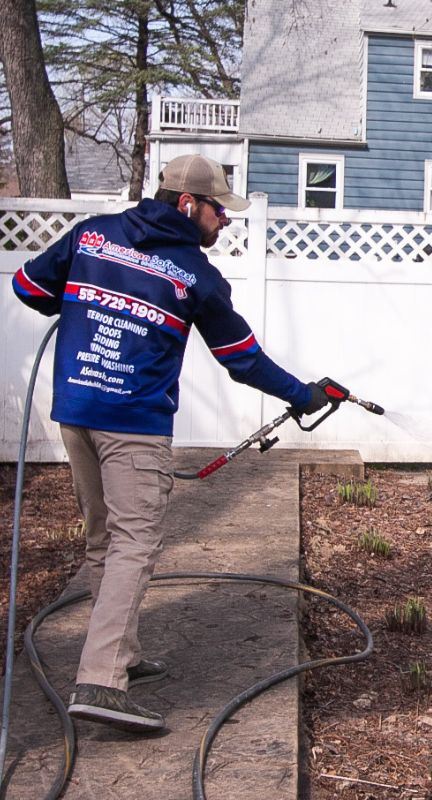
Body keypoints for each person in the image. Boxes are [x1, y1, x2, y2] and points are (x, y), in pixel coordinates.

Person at [11, 154, 328, 733]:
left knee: (106, 543)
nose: (224, 222)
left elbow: (28, 285)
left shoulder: (93, 235)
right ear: (187, 204)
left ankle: (120, 653)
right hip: (132, 426)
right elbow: (242, 359)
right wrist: (302, 394)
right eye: (218, 211)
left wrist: (89, 300)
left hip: (76, 414)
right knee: (135, 544)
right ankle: (101, 683)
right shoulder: (195, 275)